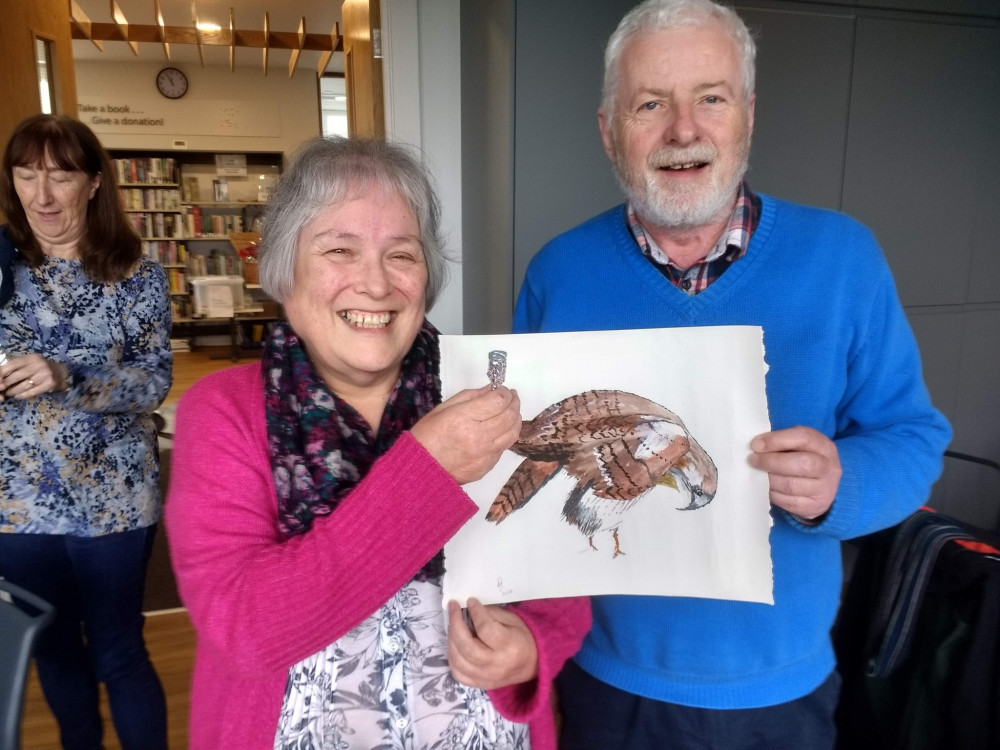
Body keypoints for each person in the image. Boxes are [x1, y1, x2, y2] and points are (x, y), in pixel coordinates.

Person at [513, 1, 952, 748]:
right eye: (650, 104)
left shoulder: (844, 259)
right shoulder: (559, 273)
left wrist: (841, 482)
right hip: (605, 683)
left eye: (710, 98)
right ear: (609, 131)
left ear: (746, 115)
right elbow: (521, 468)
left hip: (783, 691)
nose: (683, 129)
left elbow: (914, 440)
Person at [165, 136, 591, 750]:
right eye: (340, 249)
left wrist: (531, 648)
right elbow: (244, 628)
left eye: (402, 255)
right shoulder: (224, 413)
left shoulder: (490, 395)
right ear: (284, 273)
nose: (375, 284)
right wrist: (429, 470)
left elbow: (560, 584)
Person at [0, 114, 172, 750]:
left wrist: (67, 374)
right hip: (16, 504)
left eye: (60, 176)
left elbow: (152, 383)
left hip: (114, 499)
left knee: (119, 649)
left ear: (93, 183)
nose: (41, 196)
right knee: (52, 650)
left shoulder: (138, 275)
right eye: (26, 175)